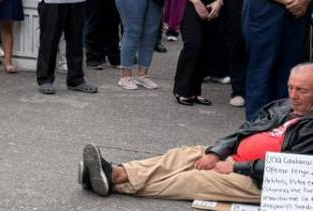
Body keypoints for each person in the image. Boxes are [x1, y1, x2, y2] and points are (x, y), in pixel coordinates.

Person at [79, 63, 313, 202]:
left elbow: (290, 168)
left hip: (257, 179)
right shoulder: (284, 106)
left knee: (192, 180)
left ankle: (107, 180)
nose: (293, 95)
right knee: (183, 156)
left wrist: (235, 167)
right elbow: (244, 131)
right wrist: (217, 152)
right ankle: (117, 173)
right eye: (291, 88)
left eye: (301, 90)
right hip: (235, 159)